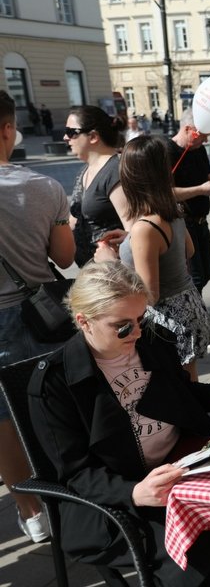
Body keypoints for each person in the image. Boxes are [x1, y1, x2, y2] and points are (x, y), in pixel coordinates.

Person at [28, 261, 210, 587]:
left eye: (141, 318)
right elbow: (76, 473)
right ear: (83, 321)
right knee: (197, 543)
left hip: (179, 462)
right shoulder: (55, 383)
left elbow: (180, 394)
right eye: (122, 326)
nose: (138, 332)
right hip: (118, 496)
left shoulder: (152, 342)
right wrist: (135, 491)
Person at [0, 89, 75, 544]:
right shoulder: (43, 187)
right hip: (39, 315)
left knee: (3, 424)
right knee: (54, 406)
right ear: (8, 129)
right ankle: (73, 493)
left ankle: (32, 512)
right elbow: (64, 258)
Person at [95, 135, 210, 381]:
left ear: (130, 177)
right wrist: (131, 242)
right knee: (190, 386)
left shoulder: (145, 228)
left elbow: (150, 295)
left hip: (169, 323)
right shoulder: (172, 210)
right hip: (189, 307)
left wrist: (111, 262)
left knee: (177, 393)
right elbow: (188, 251)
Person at [168, 109, 210, 350]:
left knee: (204, 275)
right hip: (183, 223)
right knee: (195, 278)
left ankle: (196, 324)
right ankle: (204, 331)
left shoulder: (199, 150)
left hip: (201, 221)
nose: (206, 140)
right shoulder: (169, 151)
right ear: (188, 129)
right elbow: (166, 192)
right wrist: (200, 189)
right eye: (202, 135)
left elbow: (209, 178)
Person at [65, 105, 128, 267]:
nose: (66, 137)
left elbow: (133, 228)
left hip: (114, 273)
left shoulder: (115, 171)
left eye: (71, 132)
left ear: (93, 136)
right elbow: (74, 219)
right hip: (90, 272)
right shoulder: (84, 170)